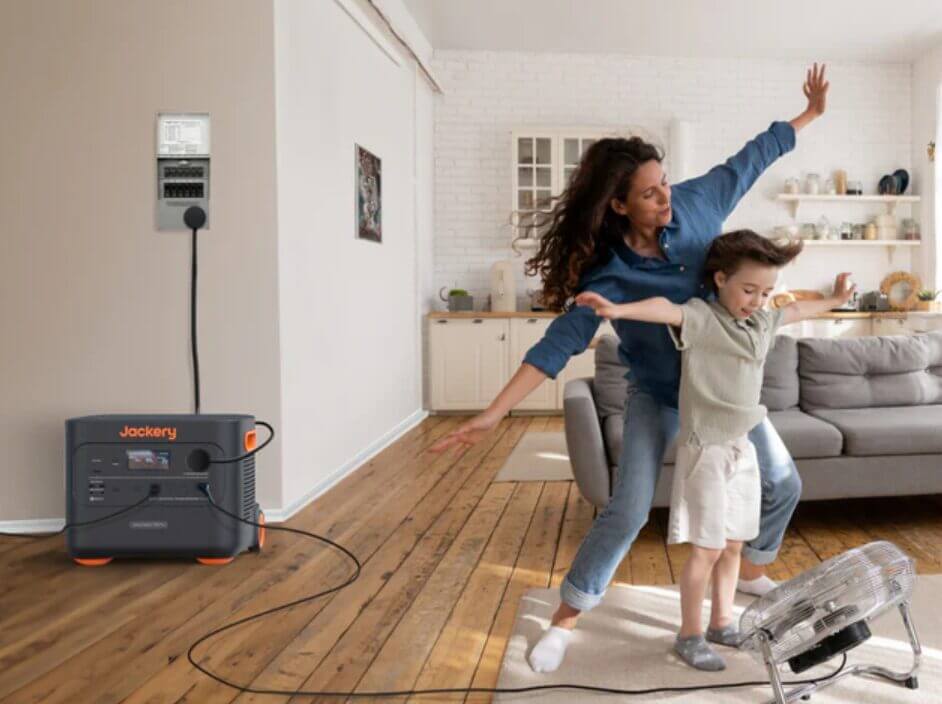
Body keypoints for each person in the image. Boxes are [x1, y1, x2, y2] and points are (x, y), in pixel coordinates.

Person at [431, 65, 831, 674]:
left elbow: (751, 158)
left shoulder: (696, 205)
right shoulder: (606, 273)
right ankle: (566, 619)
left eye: (665, 183)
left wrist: (807, 117)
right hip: (661, 396)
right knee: (628, 508)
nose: (666, 198)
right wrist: (491, 415)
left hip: (722, 398)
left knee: (784, 482)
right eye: (650, 192)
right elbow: (557, 346)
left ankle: (750, 570)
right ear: (618, 204)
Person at [576, 231, 854, 670]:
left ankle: (722, 622)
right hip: (705, 451)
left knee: (733, 544)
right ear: (720, 279)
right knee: (705, 549)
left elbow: (797, 308)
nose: (757, 300)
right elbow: (664, 310)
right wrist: (616, 310)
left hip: (742, 449)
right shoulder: (702, 318)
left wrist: (835, 298)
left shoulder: (762, 322)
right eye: (748, 290)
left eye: (765, 292)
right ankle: (688, 634)